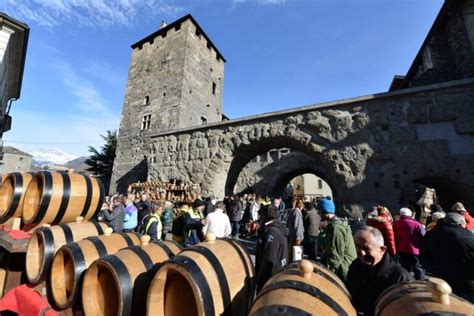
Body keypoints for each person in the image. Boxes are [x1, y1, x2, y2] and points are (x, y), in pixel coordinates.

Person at [347, 226, 413, 316]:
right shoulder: (356, 266)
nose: (361, 253)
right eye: (358, 247)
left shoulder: (400, 278)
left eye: (366, 248)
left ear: (382, 249)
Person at [421, 212, 474, 302]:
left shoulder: (430, 234)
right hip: (465, 281)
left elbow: (424, 255)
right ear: (460, 224)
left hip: (440, 279)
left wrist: (432, 268)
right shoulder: (469, 237)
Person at [318, 196, 356, 281]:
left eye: (319, 210)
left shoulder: (336, 228)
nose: (318, 213)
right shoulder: (333, 225)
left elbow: (335, 257)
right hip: (343, 267)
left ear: (325, 211)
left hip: (344, 270)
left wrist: (330, 276)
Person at [255, 205, 288, 293]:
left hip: (270, 278)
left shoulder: (272, 232)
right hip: (273, 275)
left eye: (260, 216)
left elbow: (269, 258)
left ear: (265, 216)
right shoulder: (272, 228)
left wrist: (261, 280)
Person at [393, 207, 425, 280]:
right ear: (410, 215)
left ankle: (406, 284)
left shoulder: (396, 224)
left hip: (402, 249)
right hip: (415, 250)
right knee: (418, 269)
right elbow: (423, 237)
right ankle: (420, 285)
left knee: (405, 268)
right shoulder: (417, 224)